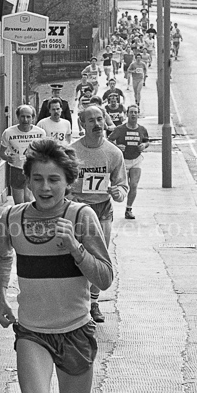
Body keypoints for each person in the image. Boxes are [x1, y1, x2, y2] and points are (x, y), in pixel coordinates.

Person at [0, 138, 113, 393]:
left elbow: (106, 277)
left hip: (76, 330)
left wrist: (74, 247)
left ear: (68, 182)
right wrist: (1, 298)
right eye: (38, 179)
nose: (45, 188)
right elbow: (2, 255)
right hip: (32, 331)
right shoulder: (13, 217)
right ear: (26, 180)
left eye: (54, 180)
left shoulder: (82, 217)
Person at [71, 106, 128, 323]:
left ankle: (94, 303)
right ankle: (78, 301)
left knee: (98, 257)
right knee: (75, 254)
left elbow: (123, 187)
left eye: (100, 119)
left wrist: (118, 192)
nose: (97, 125)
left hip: (102, 209)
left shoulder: (113, 153)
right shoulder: (72, 152)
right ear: (82, 124)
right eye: (91, 121)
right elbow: (62, 182)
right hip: (77, 210)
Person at [109, 105, 149, 220]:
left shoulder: (142, 129)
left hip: (136, 160)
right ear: (127, 114)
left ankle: (129, 209)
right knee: (119, 187)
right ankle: (109, 207)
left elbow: (147, 141)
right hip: (123, 161)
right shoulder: (120, 129)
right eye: (131, 112)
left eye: (135, 112)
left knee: (134, 185)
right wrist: (117, 146)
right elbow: (109, 141)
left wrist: (144, 145)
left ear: (138, 114)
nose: (133, 114)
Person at [0, 105, 46, 204]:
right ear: (18, 117)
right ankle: (20, 218)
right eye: (22, 116)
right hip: (17, 169)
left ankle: (28, 219)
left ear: (33, 118)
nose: (25, 120)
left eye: (28, 117)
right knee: (19, 203)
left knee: (29, 200)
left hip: (33, 169)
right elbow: (1, 153)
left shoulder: (40, 133)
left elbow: (44, 152)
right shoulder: (8, 133)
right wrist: (7, 158)